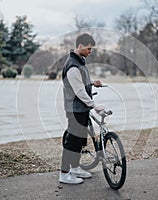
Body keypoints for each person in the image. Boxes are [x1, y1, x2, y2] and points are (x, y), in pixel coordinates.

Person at [59, 33, 103, 184]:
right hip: (75, 109)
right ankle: (64, 174)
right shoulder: (72, 65)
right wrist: (95, 106)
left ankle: (75, 168)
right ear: (80, 46)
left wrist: (92, 83)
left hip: (81, 109)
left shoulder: (80, 61)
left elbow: (81, 83)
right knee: (72, 142)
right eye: (89, 49)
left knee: (78, 141)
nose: (91, 51)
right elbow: (78, 91)